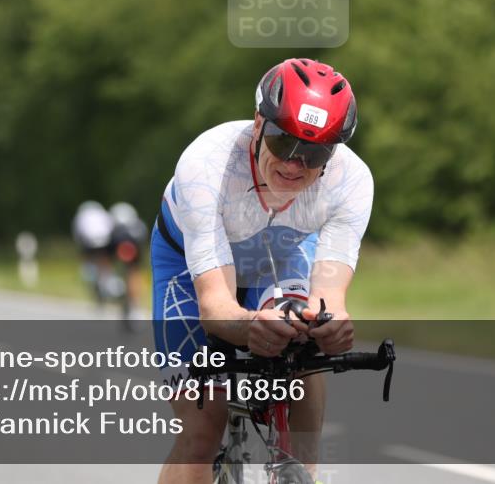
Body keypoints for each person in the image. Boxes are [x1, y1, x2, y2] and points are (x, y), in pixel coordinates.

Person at [150, 58, 373, 484]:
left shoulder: (352, 182)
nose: (294, 164)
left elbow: (329, 299)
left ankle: (300, 470)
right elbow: (215, 307)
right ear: (258, 124)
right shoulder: (205, 166)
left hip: (281, 256)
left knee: (306, 338)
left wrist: (332, 326)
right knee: (202, 434)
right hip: (188, 265)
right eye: (282, 141)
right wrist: (249, 324)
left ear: (333, 152)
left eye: (314, 153)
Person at [72, 200, 118, 302]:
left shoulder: (81, 216)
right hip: (105, 241)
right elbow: (111, 227)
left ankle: (91, 277)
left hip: (88, 242)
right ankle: (107, 280)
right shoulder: (103, 214)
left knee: (88, 260)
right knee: (104, 261)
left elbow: (77, 233)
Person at [108, 201, 148, 318]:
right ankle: (134, 306)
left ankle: (133, 305)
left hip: (130, 251)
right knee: (134, 272)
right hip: (133, 251)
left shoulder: (115, 233)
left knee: (133, 273)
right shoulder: (138, 227)